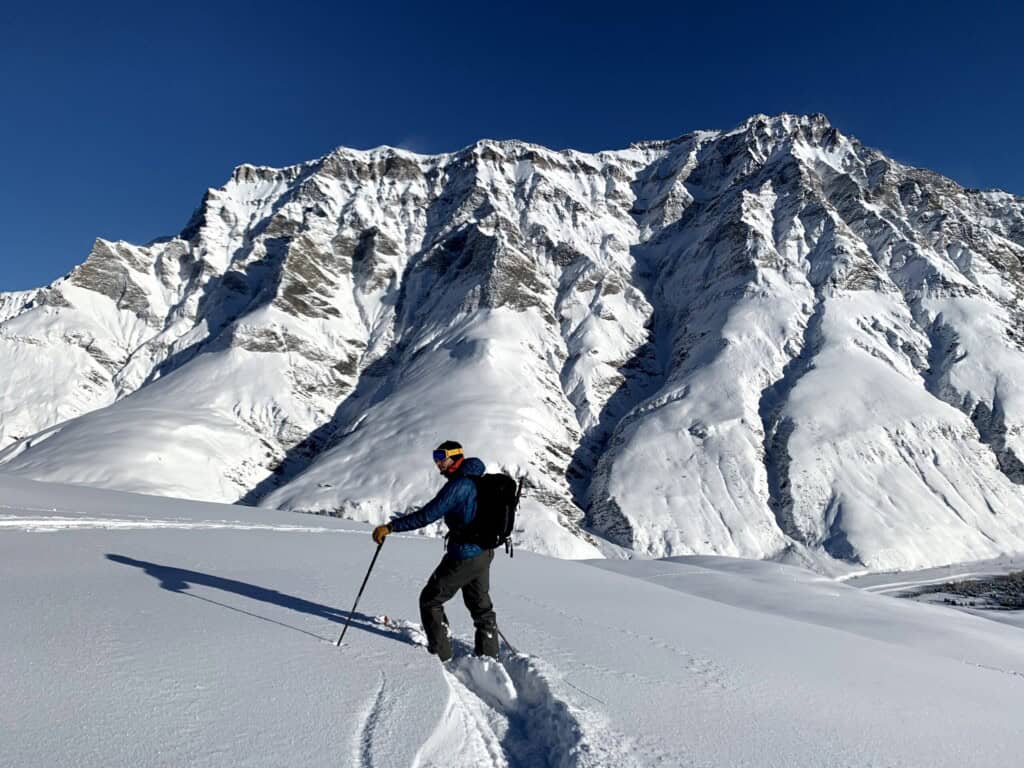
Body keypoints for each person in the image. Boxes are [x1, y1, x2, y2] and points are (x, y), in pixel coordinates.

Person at [372, 440, 499, 662]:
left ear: (456, 457)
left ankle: (441, 655)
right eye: (435, 457)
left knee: (430, 600)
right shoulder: (477, 479)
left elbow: (427, 515)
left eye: (442, 457)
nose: (438, 462)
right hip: (483, 552)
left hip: (464, 555)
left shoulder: (459, 485)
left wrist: (391, 527)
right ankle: (488, 658)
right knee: (481, 608)